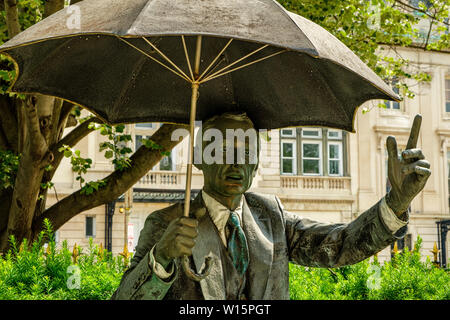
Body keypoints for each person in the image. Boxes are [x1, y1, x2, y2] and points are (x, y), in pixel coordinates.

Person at [112, 112, 430, 300]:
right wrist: (161, 258)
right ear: (200, 158)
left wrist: (395, 202)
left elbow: (340, 245)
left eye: (247, 151)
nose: (237, 162)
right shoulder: (164, 223)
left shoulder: (271, 216)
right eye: (223, 150)